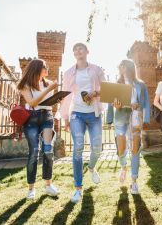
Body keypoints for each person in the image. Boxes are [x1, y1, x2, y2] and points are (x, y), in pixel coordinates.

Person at [58, 43, 105, 203]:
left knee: (97, 148)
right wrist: (65, 117)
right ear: (74, 54)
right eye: (75, 49)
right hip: (76, 113)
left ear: (87, 51)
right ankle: (78, 189)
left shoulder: (97, 70)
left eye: (81, 48)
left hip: (94, 114)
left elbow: (106, 89)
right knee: (78, 148)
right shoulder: (69, 73)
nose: (78, 50)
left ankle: (91, 167)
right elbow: (65, 95)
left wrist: (96, 93)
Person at [17, 59, 60, 199]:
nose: (47, 69)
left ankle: (48, 185)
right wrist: (48, 90)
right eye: (44, 67)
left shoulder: (47, 83)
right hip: (32, 119)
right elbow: (33, 103)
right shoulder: (25, 85)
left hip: (47, 117)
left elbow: (48, 103)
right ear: (37, 69)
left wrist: (58, 98)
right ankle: (31, 189)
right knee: (34, 152)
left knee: (48, 150)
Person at [106, 59, 150, 194]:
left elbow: (146, 102)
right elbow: (110, 102)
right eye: (120, 66)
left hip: (136, 116)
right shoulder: (117, 84)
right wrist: (110, 116)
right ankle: (124, 166)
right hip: (120, 116)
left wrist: (145, 118)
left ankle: (134, 181)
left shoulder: (140, 85)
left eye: (124, 66)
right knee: (121, 149)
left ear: (130, 67)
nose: (121, 68)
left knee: (135, 149)